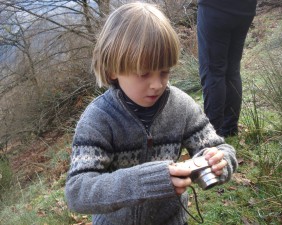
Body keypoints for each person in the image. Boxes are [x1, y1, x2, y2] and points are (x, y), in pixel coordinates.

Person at [65, 2, 238, 225]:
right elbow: (78, 191)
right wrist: (146, 181)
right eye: (144, 74)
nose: (157, 84)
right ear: (113, 70)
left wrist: (218, 161)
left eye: (164, 72)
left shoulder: (181, 106)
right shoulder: (98, 119)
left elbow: (220, 148)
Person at [197, 0, 257, 137]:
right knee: (232, 70)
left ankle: (212, 135)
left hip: (215, 7)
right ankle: (229, 129)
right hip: (245, 10)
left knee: (213, 71)